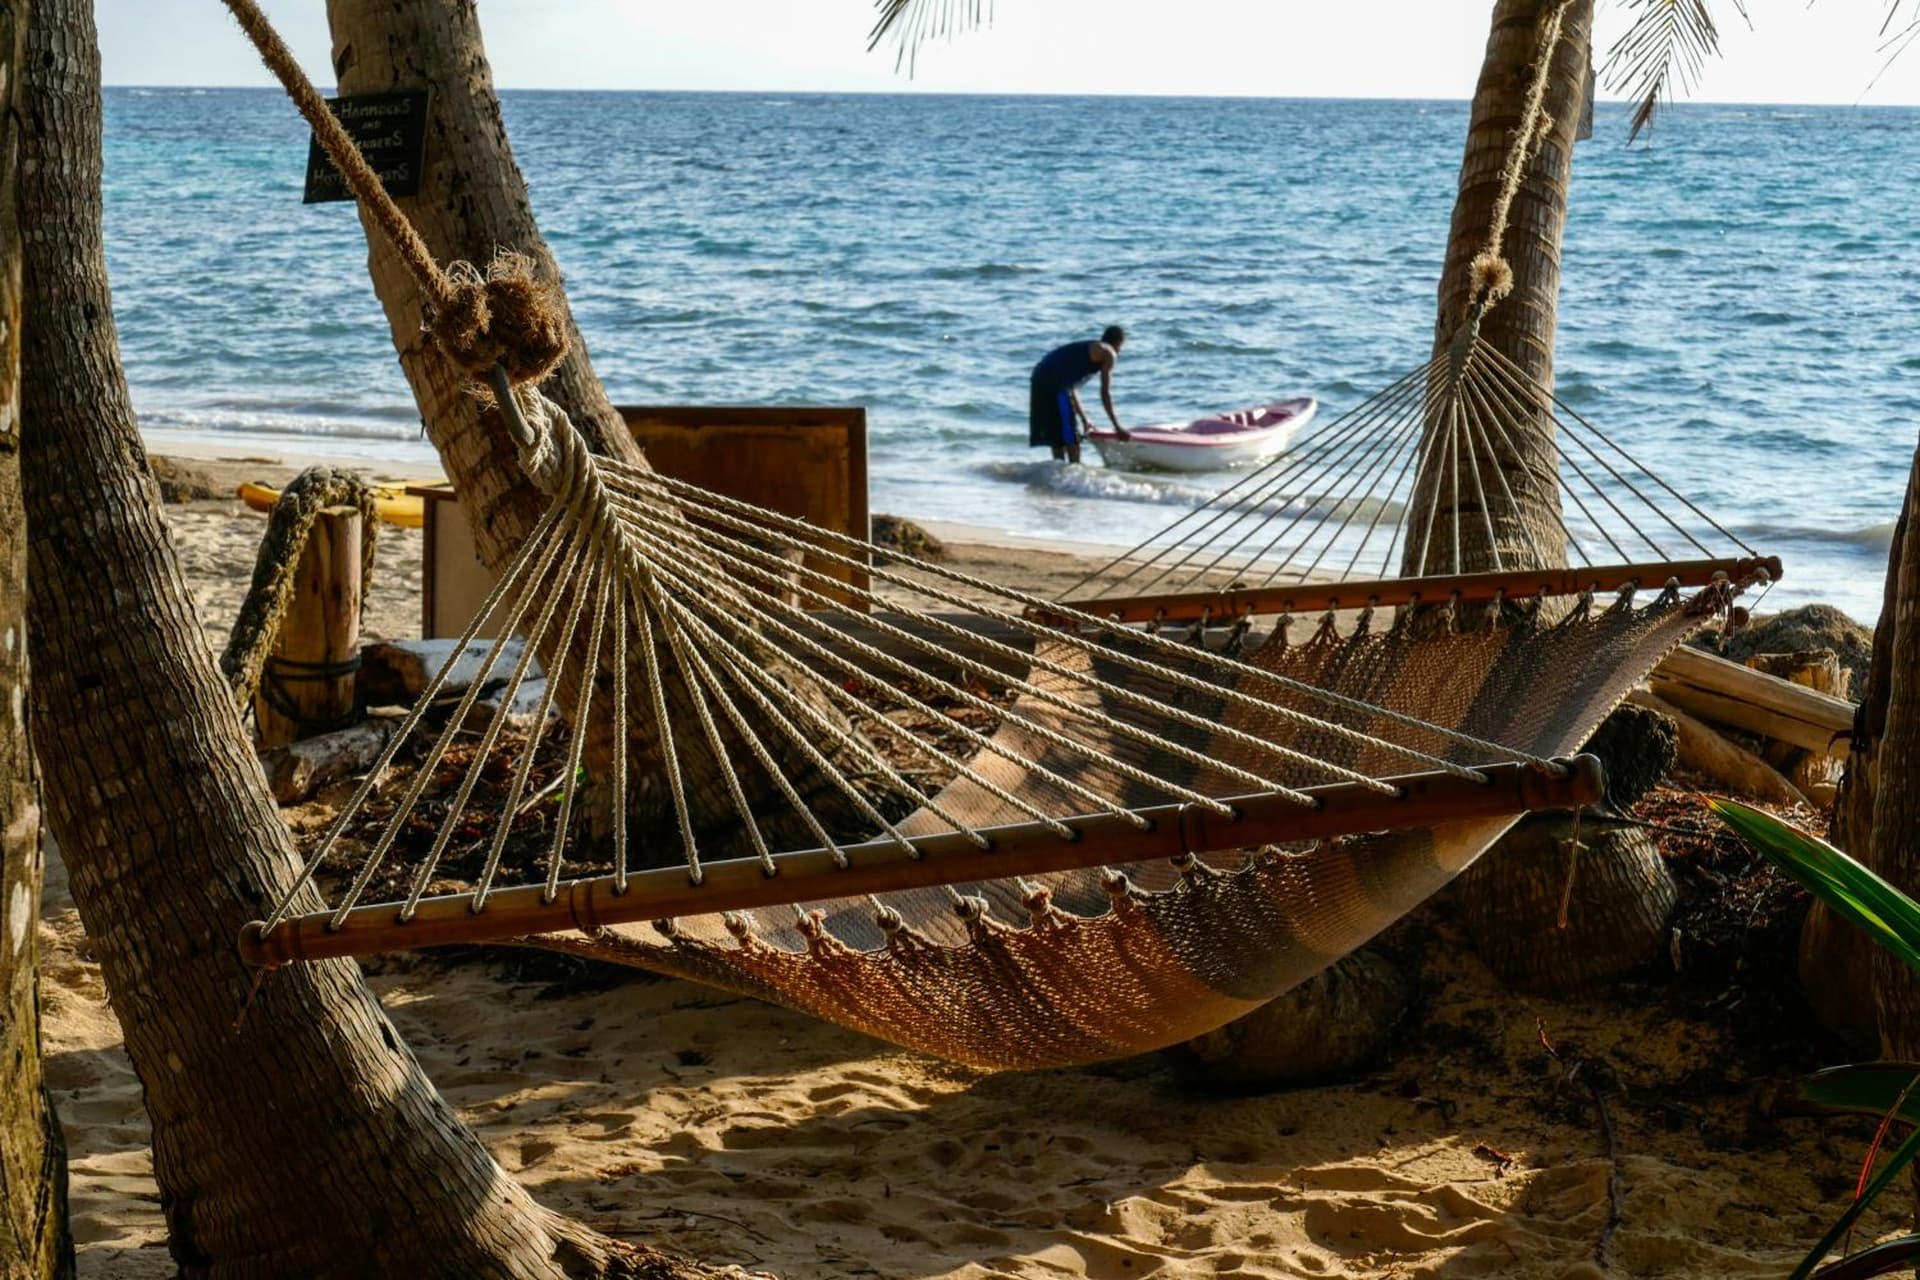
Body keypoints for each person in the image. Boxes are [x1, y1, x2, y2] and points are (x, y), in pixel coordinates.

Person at [1028, 326, 1129, 463]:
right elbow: (1105, 392)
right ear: (1119, 343)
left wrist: (1084, 419)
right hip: (1054, 381)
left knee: (1057, 436)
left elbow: (1071, 389)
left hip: (1040, 377)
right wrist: (1117, 426)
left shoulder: (1090, 349)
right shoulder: (1108, 352)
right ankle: (1073, 474)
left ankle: (1059, 476)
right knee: (1071, 436)